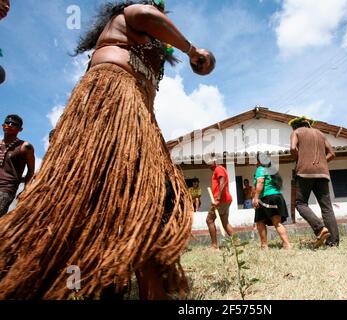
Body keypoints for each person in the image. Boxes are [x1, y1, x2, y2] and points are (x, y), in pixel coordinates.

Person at [0, 0, 215, 300]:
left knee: (148, 199)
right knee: (99, 198)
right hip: (111, 101)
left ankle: (140, 284)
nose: (159, 14)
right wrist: (192, 50)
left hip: (138, 117)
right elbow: (142, 13)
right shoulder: (128, 17)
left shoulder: (153, 45)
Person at [289, 117, 340, 248]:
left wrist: (300, 161)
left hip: (304, 172)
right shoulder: (320, 134)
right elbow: (332, 154)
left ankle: (320, 228)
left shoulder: (297, 132)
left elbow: (293, 148)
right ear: (308, 124)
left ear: (295, 126)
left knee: (300, 203)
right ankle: (333, 242)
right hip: (322, 173)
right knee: (327, 207)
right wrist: (322, 162)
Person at [252, 153, 291, 250]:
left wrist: (256, 198)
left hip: (266, 198)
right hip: (277, 197)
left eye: (255, 160)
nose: (254, 162)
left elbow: (260, 183)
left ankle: (264, 246)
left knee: (260, 221)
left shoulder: (260, 169)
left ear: (259, 161)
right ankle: (287, 244)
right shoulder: (272, 170)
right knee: (277, 223)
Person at [0, 115, 35, 217]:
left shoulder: (25, 147)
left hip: (5, 189)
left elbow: (30, 171)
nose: (10, 125)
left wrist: (26, 190)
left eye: (14, 124)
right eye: (7, 123)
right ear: (3, 125)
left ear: (20, 129)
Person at [206, 157, 234, 250]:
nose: (208, 165)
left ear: (214, 162)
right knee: (225, 222)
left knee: (209, 220)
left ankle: (214, 246)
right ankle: (236, 243)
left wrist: (217, 198)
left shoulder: (218, 169)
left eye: (209, 163)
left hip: (220, 201)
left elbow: (222, 182)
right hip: (226, 200)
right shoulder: (221, 169)